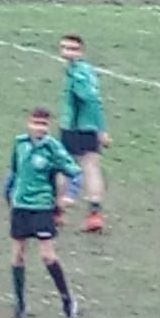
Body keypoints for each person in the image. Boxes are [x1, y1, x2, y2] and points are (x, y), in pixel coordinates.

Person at [4, 108, 80, 318]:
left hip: (42, 207)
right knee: (18, 255)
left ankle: (67, 300)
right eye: (36, 123)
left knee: (47, 256)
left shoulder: (53, 148)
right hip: (20, 207)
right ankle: (19, 308)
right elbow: (15, 171)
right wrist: (7, 192)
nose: (40, 128)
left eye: (44, 124)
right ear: (28, 123)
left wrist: (69, 197)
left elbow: (75, 173)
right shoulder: (20, 144)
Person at [60, 34, 109, 234]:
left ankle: (58, 212)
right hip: (90, 127)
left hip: (75, 127)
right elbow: (97, 101)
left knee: (64, 166)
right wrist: (101, 129)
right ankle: (95, 213)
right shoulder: (89, 71)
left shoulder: (77, 74)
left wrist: (98, 129)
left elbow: (87, 98)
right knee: (92, 168)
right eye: (64, 48)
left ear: (81, 51)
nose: (67, 52)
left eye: (72, 49)